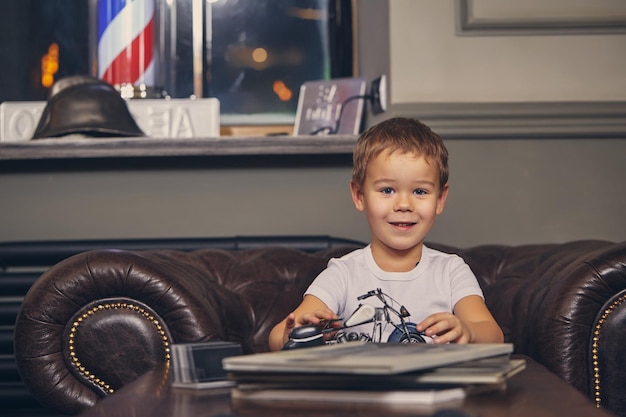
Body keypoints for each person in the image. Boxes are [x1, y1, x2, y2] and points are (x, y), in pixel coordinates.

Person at [268, 117, 503, 351]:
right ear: (359, 195)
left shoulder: (451, 271)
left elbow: (492, 334)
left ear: (440, 199)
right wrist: (291, 334)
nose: (403, 204)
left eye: (420, 191)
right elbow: (277, 336)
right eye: (387, 190)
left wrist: (468, 330)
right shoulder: (343, 273)